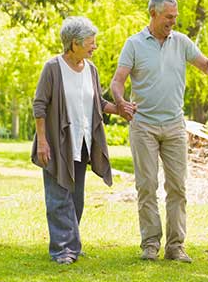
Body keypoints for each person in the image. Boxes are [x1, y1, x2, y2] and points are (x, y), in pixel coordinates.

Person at [111, 0, 208, 263]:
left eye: (175, 17)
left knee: (177, 187)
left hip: (174, 125)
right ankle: (150, 244)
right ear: (153, 14)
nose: (173, 22)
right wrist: (121, 103)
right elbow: (118, 82)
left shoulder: (182, 42)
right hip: (144, 126)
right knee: (147, 186)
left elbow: (204, 64)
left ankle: (176, 246)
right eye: (168, 17)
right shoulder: (134, 44)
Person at [32, 16, 134, 265]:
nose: (94, 47)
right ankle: (62, 250)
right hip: (57, 143)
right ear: (74, 43)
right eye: (90, 42)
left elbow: (97, 103)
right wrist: (42, 141)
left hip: (83, 141)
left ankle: (70, 244)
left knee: (76, 198)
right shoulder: (53, 68)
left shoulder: (91, 69)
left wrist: (120, 109)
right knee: (59, 198)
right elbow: (39, 105)